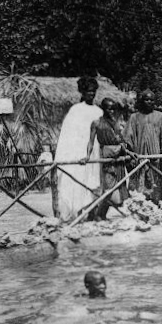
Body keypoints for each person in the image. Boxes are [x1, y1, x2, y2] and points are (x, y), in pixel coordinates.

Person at [55, 77, 103, 222]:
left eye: (93, 92)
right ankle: (78, 212)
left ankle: (92, 213)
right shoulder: (75, 110)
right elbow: (68, 134)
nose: (91, 94)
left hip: (94, 150)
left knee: (93, 179)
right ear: (82, 92)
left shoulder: (98, 111)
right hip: (77, 150)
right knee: (78, 179)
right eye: (88, 91)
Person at [124, 89, 162, 203]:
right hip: (140, 155)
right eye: (146, 99)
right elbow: (128, 137)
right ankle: (140, 206)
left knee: (156, 180)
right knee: (139, 181)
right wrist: (131, 152)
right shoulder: (134, 117)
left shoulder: (161, 117)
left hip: (156, 155)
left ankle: (156, 204)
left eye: (151, 100)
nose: (149, 102)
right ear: (142, 101)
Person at [85, 98, 129, 220]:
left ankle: (101, 214)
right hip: (106, 157)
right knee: (108, 188)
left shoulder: (117, 123)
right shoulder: (97, 123)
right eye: (108, 108)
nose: (111, 111)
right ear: (103, 109)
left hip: (119, 157)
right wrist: (87, 156)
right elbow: (91, 142)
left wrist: (127, 150)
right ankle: (96, 213)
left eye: (113, 108)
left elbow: (122, 140)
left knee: (118, 188)